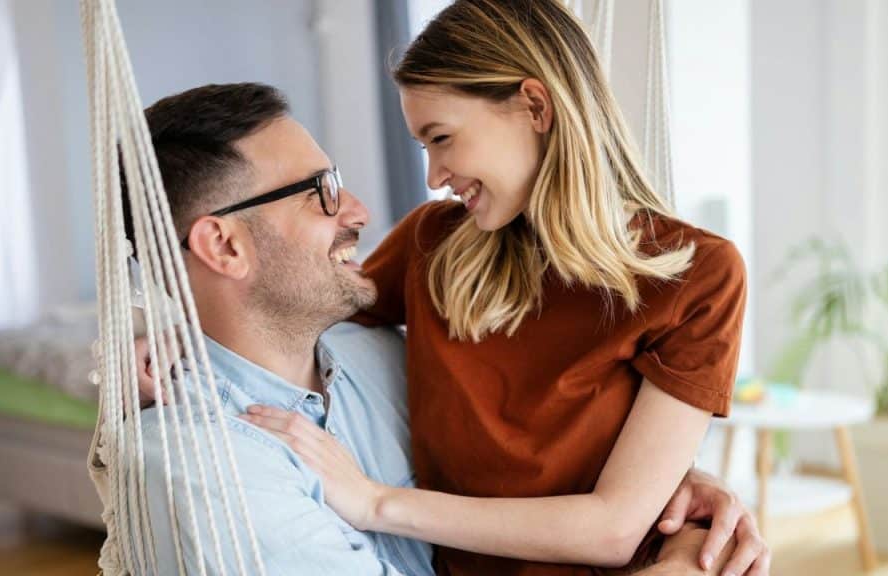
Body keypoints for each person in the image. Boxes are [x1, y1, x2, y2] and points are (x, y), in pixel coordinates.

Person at [126, 82, 760, 575]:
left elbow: (530, 431)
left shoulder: (385, 355)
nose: (360, 211)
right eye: (319, 191)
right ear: (224, 246)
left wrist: (664, 480)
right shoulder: (209, 473)